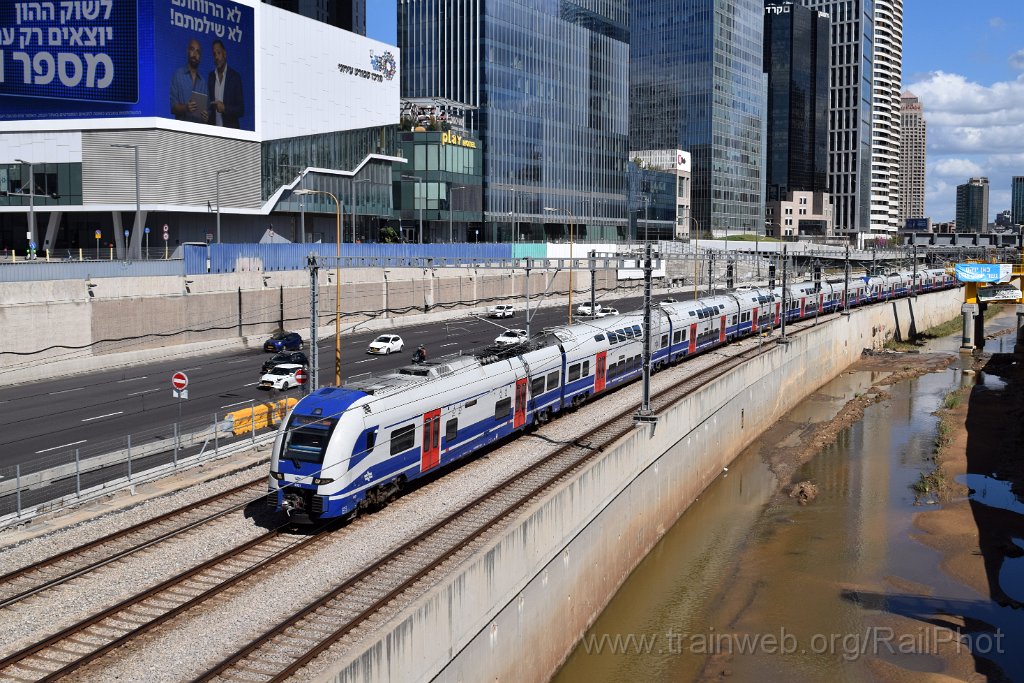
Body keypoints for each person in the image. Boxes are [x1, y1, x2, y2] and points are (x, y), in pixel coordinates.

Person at [207, 39, 244, 128]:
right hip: (213, 134)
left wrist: (225, 108)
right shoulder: (211, 77)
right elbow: (209, 106)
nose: (216, 57)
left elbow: (241, 110)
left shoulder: (235, 77)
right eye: (214, 54)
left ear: (225, 54)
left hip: (230, 134)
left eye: (219, 53)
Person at [170, 38, 208, 123]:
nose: (195, 54)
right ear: (187, 51)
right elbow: (173, 108)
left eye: (198, 52)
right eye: (192, 50)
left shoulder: (203, 82)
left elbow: (207, 111)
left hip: (198, 132)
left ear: (200, 57)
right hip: (181, 131)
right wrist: (186, 108)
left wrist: (206, 117)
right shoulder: (178, 75)